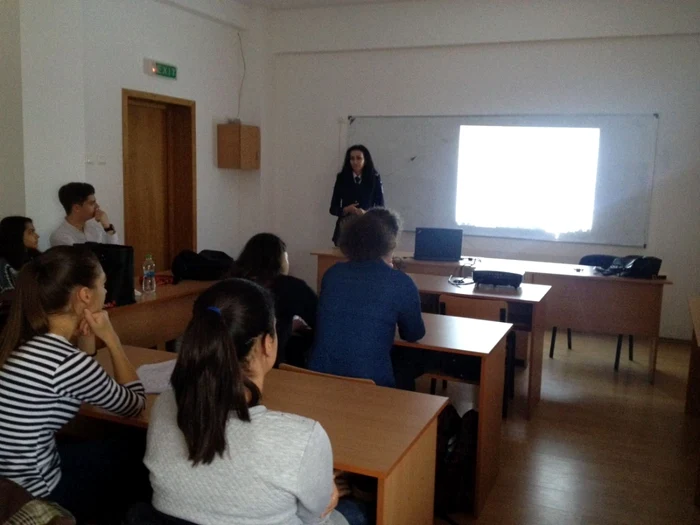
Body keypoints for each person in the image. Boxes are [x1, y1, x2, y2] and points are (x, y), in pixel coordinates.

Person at [143, 279, 360, 525]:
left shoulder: (165, 405)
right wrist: (327, 489)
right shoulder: (304, 439)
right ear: (268, 343)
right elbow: (316, 516)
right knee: (355, 512)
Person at [0, 246, 146, 522]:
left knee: (95, 443)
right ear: (85, 295)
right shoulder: (66, 363)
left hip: (9, 480)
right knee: (134, 448)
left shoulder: (26, 341)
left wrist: (87, 338)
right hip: (37, 491)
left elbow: (81, 377)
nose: (107, 290)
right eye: (103, 284)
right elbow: (134, 404)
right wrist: (112, 339)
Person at [309, 208, 426, 389]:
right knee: (409, 363)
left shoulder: (333, 274)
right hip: (371, 384)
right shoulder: (400, 282)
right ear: (390, 243)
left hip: (318, 377)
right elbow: (413, 334)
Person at [230, 233, 317, 366]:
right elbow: (320, 320)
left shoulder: (231, 283)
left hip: (229, 360)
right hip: (267, 363)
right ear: (280, 260)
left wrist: (288, 326)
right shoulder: (290, 287)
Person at [329, 145, 384, 246]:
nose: (355, 162)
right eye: (352, 158)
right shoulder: (341, 178)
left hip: (367, 230)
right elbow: (333, 208)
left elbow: (381, 208)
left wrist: (367, 213)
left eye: (359, 158)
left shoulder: (374, 178)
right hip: (345, 231)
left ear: (365, 160)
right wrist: (346, 210)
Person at [49, 182, 120, 246]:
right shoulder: (60, 237)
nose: (97, 206)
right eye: (92, 203)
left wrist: (107, 227)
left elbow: (115, 254)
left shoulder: (95, 228)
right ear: (76, 208)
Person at [0, 216, 40, 293]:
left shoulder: (34, 258)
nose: (37, 236)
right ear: (16, 235)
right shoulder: (3, 265)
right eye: (30, 232)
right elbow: (9, 296)